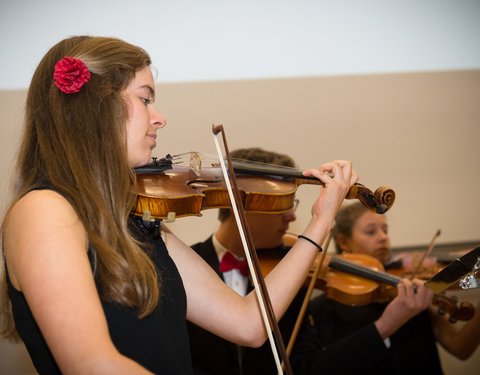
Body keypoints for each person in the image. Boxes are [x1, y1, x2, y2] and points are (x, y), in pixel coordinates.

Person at [0, 35, 358, 374]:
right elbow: (93, 366)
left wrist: (321, 222)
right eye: (145, 99)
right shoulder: (44, 210)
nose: (160, 117)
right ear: (96, 107)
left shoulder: (139, 219)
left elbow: (250, 323)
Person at [291, 201, 480, 375]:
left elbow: (461, 347)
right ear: (344, 242)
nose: (383, 237)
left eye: (385, 230)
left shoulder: (410, 290)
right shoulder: (323, 307)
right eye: (371, 232)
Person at [187, 147, 306, 375]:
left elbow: (306, 362)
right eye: (282, 201)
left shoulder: (288, 270)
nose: (292, 215)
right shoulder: (183, 269)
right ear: (242, 201)